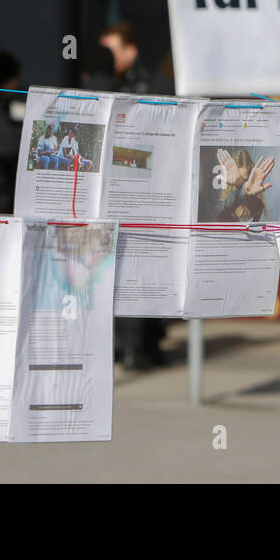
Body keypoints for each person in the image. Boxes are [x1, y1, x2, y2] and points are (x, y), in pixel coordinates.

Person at [102, 21, 171, 370]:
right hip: (112, 193)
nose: (108, 59)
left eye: (112, 50)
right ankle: (123, 344)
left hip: (142, 190)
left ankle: (143, 346)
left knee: (140, 269)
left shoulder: (149, 86)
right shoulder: (100, 84)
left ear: (130, 50)